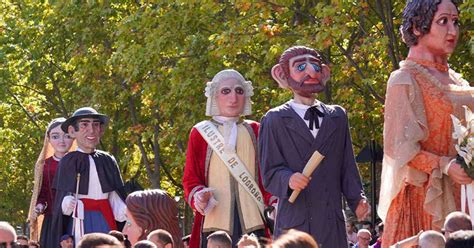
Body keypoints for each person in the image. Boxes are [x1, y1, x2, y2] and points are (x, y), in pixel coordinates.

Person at [378, 0, 474, 247]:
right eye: (443, 21)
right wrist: (444, 165)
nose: (452, 31)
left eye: (455, 22)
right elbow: (399, 147)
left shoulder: (459, 81)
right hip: (426, 195)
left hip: (466, 193)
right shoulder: (404, 79)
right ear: (417, 27)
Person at [259, 45, 370, 247]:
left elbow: (347, 166)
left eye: (316, 66)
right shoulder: (274, 119)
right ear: (282, 75)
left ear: (324, 73)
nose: (311, 71)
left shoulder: (337, 116)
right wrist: (288, 179)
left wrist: (357, 199)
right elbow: (268, 172)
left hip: (331, 223)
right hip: (295, 224)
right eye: (300, 67)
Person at [183, 69, 275, 248]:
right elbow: (191, 178)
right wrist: (200, 196)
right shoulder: (200, 132)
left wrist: (273, 201)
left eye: (239, 91)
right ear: (215, 96)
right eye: (226, 91)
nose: (234, 97)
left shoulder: (257, 130)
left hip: (253, 221)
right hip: (214, 222)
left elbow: (267, 175)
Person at [49, 107, 127, 247]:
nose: (91, 130)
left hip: (105, 216)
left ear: (101, 130)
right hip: (80, 219)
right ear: (73, 131)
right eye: (84, 124)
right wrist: (66, 202)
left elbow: (115, 195)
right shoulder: (68, 161)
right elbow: (61, 197)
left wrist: (125, 211)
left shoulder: (108, 160)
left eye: (95, 125)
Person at [27, 117, 75, 247]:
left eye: (67, 136)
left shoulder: (79, 162)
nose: (61, 141)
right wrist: (39, 207)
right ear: (48, 139)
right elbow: (42, 193)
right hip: (52, 219)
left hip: (75, 218)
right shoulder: (44, 165)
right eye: (55, 136)